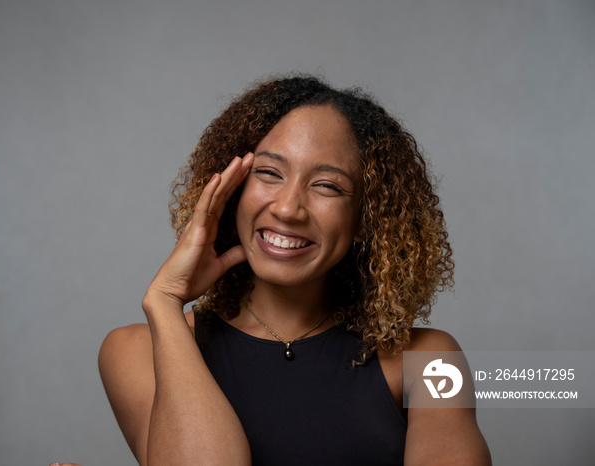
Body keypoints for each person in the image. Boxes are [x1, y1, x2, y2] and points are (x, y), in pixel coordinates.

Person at [64, 75, 491, 466]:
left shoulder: (431, 360)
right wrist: (164, 303)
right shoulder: (136, 351)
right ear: (233, 191)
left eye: (326, 185)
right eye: (268, 173)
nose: (287, 208)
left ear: (365, 220)